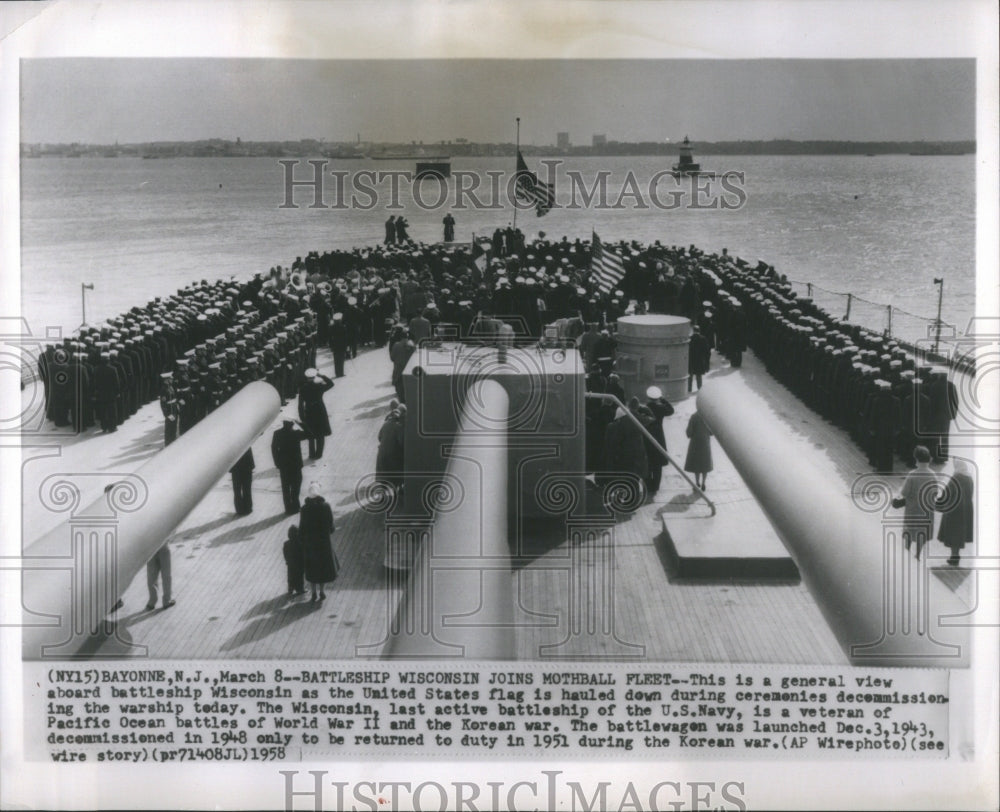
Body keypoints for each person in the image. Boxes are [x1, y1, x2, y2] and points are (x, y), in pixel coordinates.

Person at [891, 445, 938, 560]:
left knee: (909, 531)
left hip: (913, 509)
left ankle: (906, 552)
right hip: (926, 510)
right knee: (922, 532)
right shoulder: (933, 475)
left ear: (916, 459)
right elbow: (935, 492)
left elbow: (905, 492)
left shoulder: (912, 474)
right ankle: (917, 554)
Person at [299, 482, 339, 601]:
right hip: (323, 543)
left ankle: (313, 593)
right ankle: (322, 591)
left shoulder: (305, 508)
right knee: (323, 567)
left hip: (310, 544)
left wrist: (302, 539)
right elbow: (331, 526)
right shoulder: (325, 506)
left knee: (312, 568)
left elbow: (302, 527)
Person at [935, 459, 974, 566]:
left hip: (954, 510)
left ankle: (954, 556)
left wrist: (938, 503)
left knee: (953, 533)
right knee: (959, 534)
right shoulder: (969, 478)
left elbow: (947, 492)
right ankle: (955, 555)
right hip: (966, 510)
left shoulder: (956, 477)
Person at [271, 419, 310, 514]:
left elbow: (274, 448)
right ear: (292, 424)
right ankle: (295, 506)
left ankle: (288, 508)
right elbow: (309, 434)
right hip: (296, 464)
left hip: (284, 465)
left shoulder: (277, 433)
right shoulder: (296, 434)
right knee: (296, 485)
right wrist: (301, 423)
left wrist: (277, 462)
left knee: (286, 487)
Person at [644, 385, 675, 494]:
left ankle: (648, 485)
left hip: (647, 437)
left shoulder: (645, 407)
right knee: (657, 464)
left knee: (648, 463)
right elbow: (671, 410)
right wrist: (663, 399)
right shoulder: (660, 408)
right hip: (658, 436)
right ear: (657, 397)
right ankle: (655, 486)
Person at [298, 368, 334, 459]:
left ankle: (311, 454)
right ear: (314, 377)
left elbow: (300, 404)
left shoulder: (302, 389)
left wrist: (302, 416)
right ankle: (319, 454)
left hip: (309, 411)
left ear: (306, 378)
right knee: (320, 433)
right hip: (319, 410)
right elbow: (331, 383)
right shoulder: (319, 386)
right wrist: (321, 375)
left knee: (310, 433)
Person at [376, 404, 406, 495]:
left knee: (383, 477)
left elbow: (379, 437)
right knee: (397, 472)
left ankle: (382, 494)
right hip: (392, 456)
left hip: (381, 454)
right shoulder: (399, 427)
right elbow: (401, 443)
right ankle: (399, 491)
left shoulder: (386, 424)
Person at [684, 410, 714, 491]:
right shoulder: (709, 416)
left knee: (696, 463)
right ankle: (704, 483)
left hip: (695, 443)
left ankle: (697, 483)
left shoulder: (694, 416)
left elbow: (689, 432)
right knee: (705, 463)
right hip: (705, 443)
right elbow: (712, 432)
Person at [145, 542, 174, 611]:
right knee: (166, 575)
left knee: (151, 575)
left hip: (150, 547)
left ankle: (152, 601)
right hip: (163, 546)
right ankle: (166, 600)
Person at [229, 447, 255, 516]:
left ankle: (239, 509)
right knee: (247, 488)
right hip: (247, 465)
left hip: (236, 467)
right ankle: (248, 508)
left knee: (237, 489)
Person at [283, 524, 305, 596]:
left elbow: (285, 553)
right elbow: (302, 553)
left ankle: (290, 588)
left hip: (290, 563)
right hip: (299, 563)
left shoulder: (286, 543)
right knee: (299, 576)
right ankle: (300, 589)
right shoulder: (300, 543)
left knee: (290, 576)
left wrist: (287, 560)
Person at [688, 324, 711, 392]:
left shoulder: (690, 338)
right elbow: (707, 351)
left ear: (693, 330)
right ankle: (699, 389)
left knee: (690, 375)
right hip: (699, 360)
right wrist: (706, 360)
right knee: (699, 375)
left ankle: (689, 389)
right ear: (699, 331)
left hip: (691, 360)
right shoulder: (703, 338)